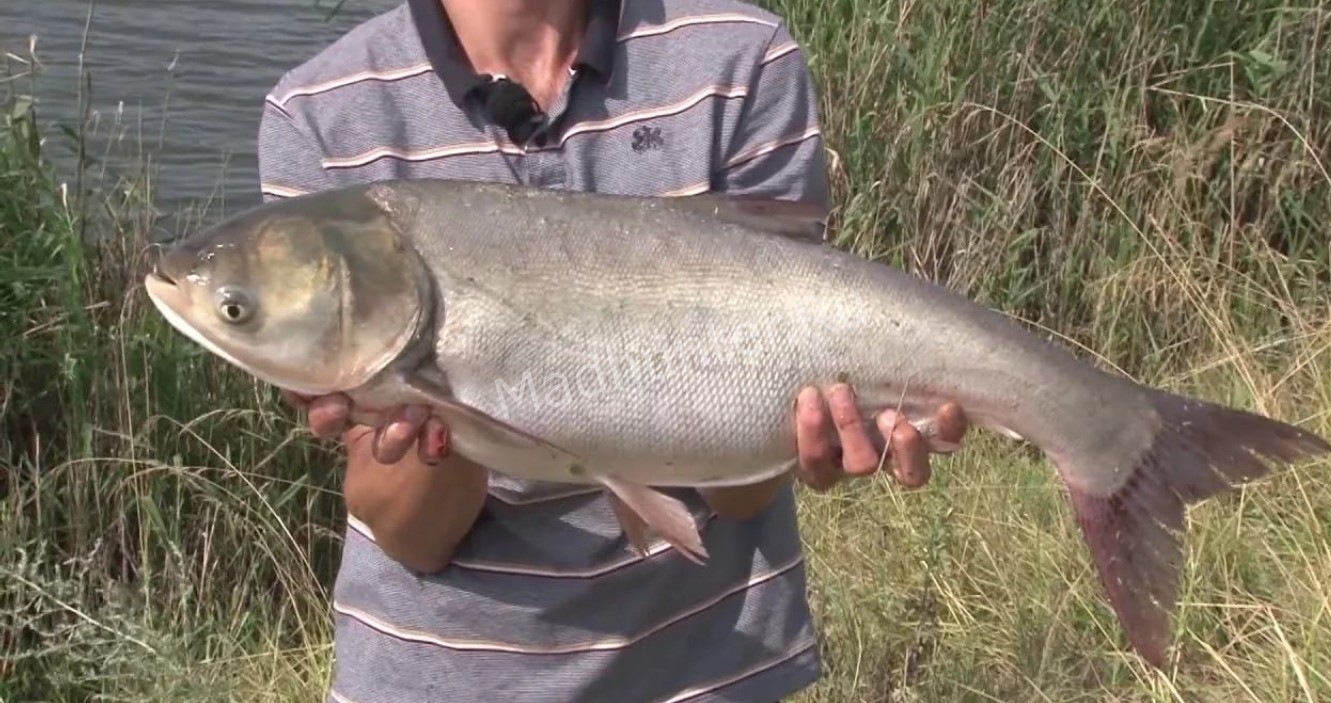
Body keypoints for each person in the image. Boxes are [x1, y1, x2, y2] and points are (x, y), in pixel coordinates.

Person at [256, 1, 968, 701]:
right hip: (436, 679)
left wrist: (794, 437)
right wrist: (433, 412)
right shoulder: (322, 110)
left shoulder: (738, 59)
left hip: (708, 669)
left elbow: (741, 494)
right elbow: (413, 538)